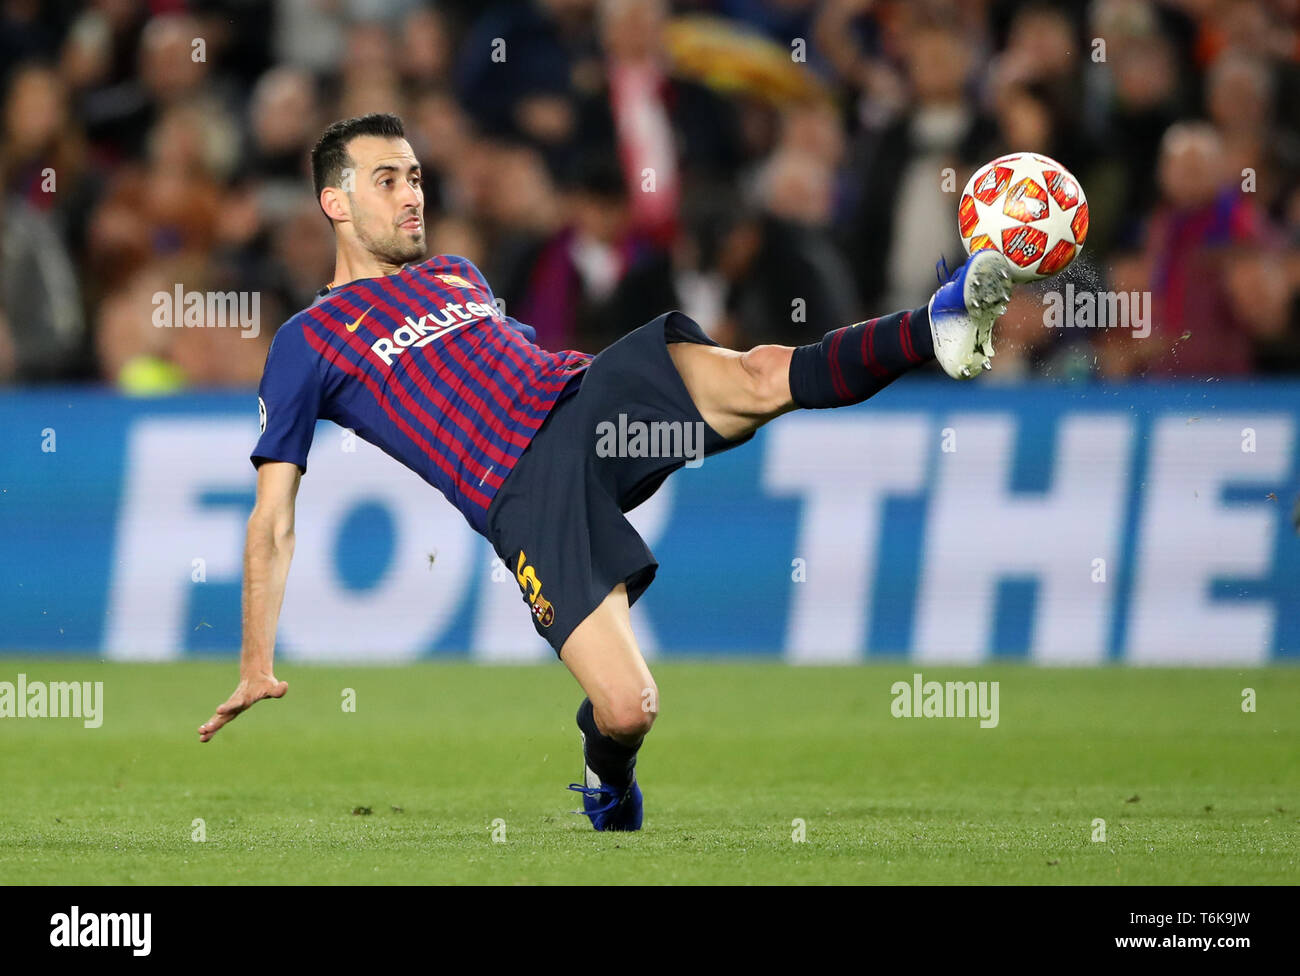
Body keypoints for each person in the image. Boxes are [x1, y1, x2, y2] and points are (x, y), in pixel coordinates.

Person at [197, 114, 1012, 831]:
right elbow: (273, 515)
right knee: (629, 709)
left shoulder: (457, 274)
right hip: (524, 491)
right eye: (387, 180)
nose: (412, 194)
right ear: (335, 202)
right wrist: (254, 660)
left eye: (414, 175)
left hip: (586, 398)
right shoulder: (308, 342)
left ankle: (933, 324)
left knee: (762, 375)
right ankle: (604, 768)